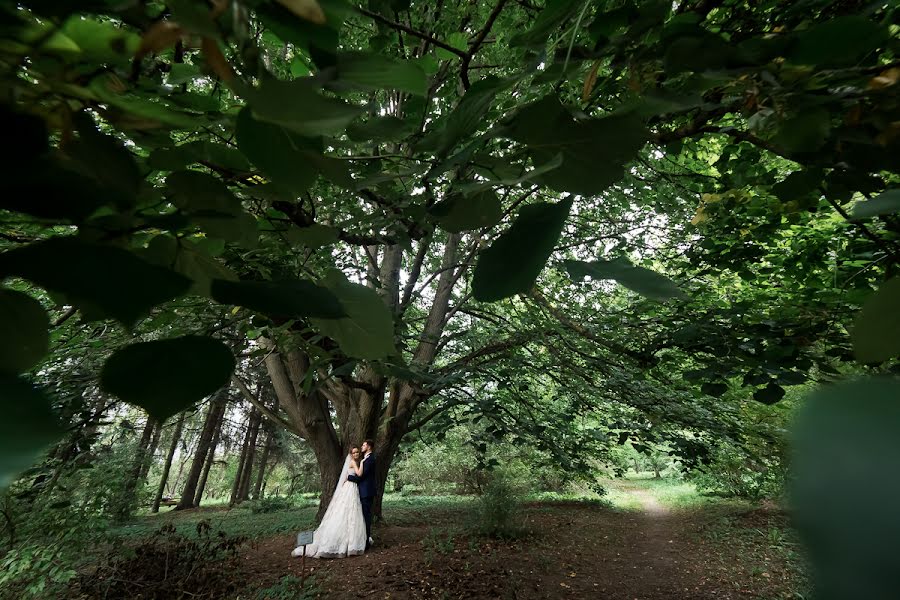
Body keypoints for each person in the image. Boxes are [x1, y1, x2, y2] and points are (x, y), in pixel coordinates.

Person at [291, 447, 366, 558]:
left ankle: (351, 541)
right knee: (347, 509)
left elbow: (347, 476)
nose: (356, 454)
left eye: (357, 452)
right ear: (351, 454)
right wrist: (363, 462)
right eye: (354, 452)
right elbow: (359, 474)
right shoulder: (353, 462)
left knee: (351, 511)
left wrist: (350, 477)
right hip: (350, 488)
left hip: (350, 487)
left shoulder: (353, 462)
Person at [347, 438, 376, 549]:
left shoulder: (369, 460)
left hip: (366, 492)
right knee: (363, 516)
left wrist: (349, 477)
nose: (362, 447)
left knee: (366, 516)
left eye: (363, 445)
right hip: (362, 491)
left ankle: (366, 541)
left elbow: (361, 477)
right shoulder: (365, 459)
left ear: (368, 446)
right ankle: (364, 538)